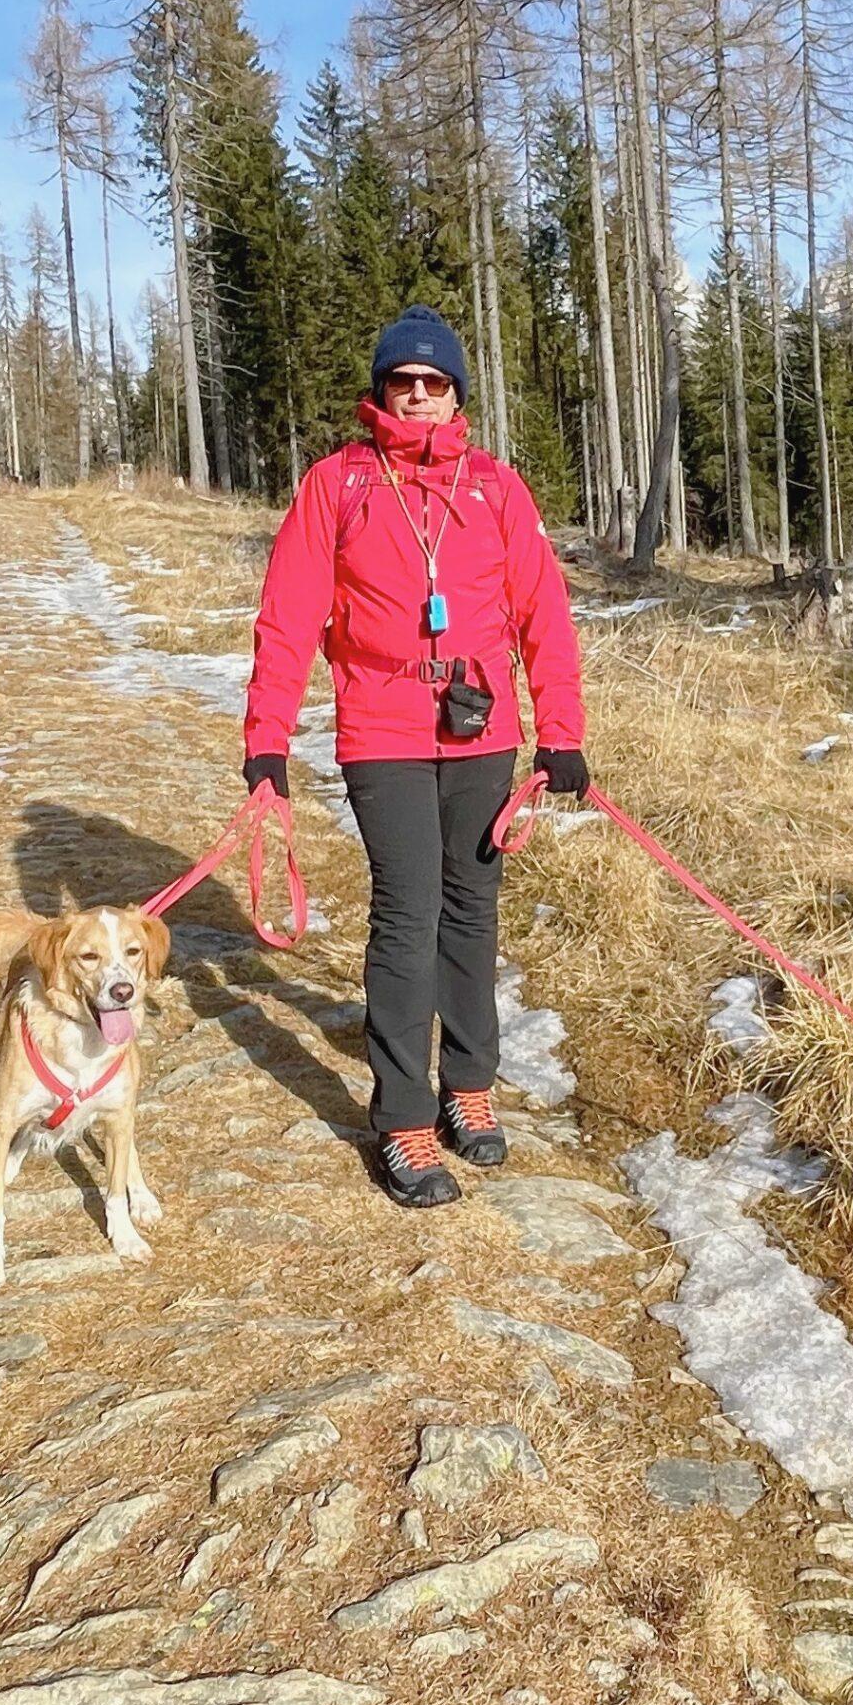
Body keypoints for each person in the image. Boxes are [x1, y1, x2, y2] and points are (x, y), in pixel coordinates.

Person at [241, 305, 590, 1207]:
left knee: (471, 910)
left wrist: (564, 734)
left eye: (437, 384)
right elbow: (287, 618)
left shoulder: (497, 489)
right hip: (382, 729)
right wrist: (266, 745)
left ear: (456, 394)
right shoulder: (338, 484)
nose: (421, 396)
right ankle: (400, 1116)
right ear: (382, 390)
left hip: (484, 731)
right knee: (409, 915)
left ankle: (467, 1085)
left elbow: (543, 617)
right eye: (405, 381)